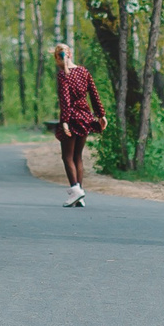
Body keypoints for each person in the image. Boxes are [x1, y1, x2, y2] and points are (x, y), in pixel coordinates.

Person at [53, 43, 105, 206]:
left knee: (67, 156)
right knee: (78, 157)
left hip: (73, 118)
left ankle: (76, 192)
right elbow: (94, 93)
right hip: (85, 118)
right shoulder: (84, 71)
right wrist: (101, 115)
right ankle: (79, 194)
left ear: (58, 58)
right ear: (70, 54)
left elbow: (65, 101)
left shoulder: (63, 75)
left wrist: (65, 122)